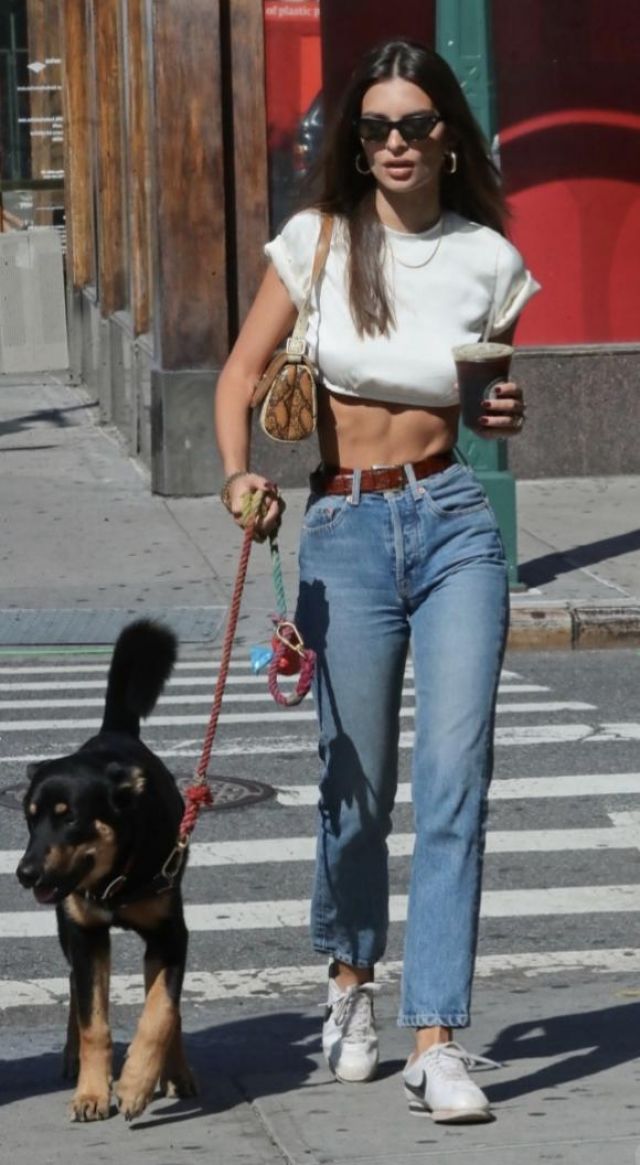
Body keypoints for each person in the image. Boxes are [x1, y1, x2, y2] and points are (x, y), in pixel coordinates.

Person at [214, 38, 540, 1124]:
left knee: (455, 780)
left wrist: (502, 413)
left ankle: (436, 1033)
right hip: (345, 527)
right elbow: (240, 373)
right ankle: (348, 980)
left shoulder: (488, 257)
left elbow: (489, 400)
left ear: (448, 135)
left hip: (453, 522)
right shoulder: (315, 242)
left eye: (412, 124)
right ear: (357, 144)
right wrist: (235, 476)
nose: (393, 143)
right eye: (374, 128)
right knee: (354, 794)